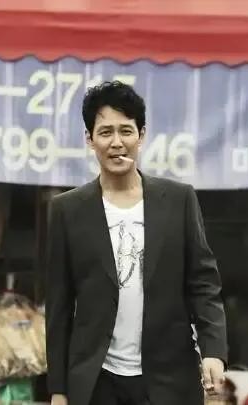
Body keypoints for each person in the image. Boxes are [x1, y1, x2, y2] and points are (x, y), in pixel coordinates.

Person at [45, 81, 228, 405]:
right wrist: (58, 391)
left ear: (141, 135)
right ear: (89, 139)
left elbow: (203, 284)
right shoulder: (67, 210)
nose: (117, 142)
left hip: (168, 380)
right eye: (105, 132)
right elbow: (58, 308)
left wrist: (213, 350)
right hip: (97, 381)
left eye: (126, 131)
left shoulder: (179, 200)